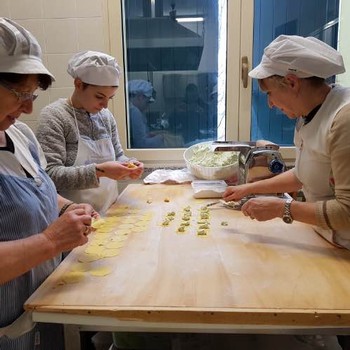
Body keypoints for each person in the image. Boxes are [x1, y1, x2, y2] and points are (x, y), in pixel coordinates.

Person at [0, 17, 96, 349]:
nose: (28, 108)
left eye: (33, 95)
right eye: (20, 94)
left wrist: (69, 207)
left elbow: (40, 188)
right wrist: (50, 241)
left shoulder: (19, 135)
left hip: (42, 308)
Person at [223, 35, 350, 252]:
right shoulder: (306, 113)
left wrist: (283, 209)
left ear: (292, 82)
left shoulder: (343, 119)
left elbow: (347, 213)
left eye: (270, 93)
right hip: (324, 238)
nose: (270, 104)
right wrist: (248, 188)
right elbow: (302, 175)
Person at [36, 51, 144, 215]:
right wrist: (99, 171)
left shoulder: (105, 117)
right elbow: (49, 175)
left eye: (110, 98)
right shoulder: (54, 117)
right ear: (79, 84)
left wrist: (129, 165)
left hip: (110, 211)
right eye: (99, 96)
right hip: (73, 218)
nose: (105, 105)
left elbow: (118, 155)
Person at [128, 79, 183, 148]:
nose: (147, 107)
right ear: (140, 97)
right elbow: (141, 144)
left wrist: (153, 134)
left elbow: (140, 136)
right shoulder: (134, 112)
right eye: (147, 102)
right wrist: (161, 138)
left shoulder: (131, 109)